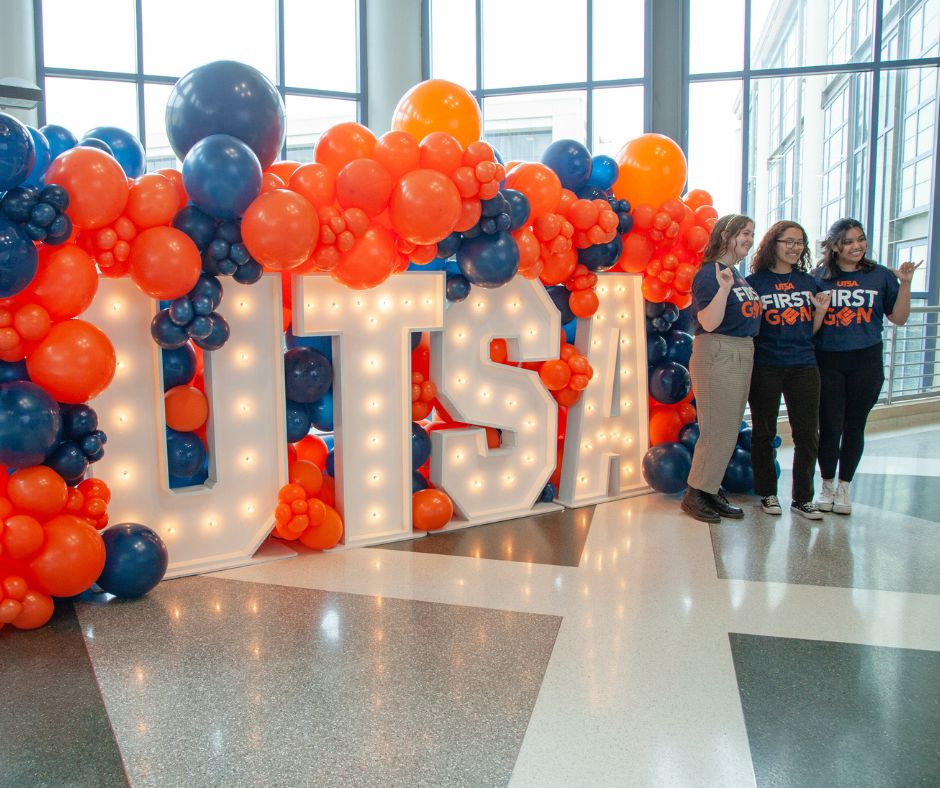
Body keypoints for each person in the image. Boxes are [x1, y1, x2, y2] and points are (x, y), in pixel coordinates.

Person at [813, 218, 921, 514]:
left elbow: (898, 318)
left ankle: (844, 487)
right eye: (848, 241)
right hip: (828, 359)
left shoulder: (880, 275)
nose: (856, 246)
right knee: (830, 426)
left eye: (860, 239)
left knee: (855, 425)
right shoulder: (818, 276)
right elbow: (810, 325)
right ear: (834, 246)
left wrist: (906, 284)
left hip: (867, 360)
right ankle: (826, 486)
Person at [746, 221, 831, 520]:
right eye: (789, 242)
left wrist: (819, 312)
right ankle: (767, 493)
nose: (795, 248)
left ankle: (802, 498)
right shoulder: (754, 282)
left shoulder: (809, 283)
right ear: (773, 243)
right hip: (765, 365)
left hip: (804, 365)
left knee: (808, 433)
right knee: (764, 432)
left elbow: (812, 331)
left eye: (800, 243)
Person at [682, 214, 761, 523]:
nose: (749, 239)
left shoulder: (735, 274)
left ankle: (710, 488)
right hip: (719, 349)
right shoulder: (710, 274)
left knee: (727, 430)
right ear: (725, 234)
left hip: (740, 350)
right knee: (716, 430)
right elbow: (709, 322)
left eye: (752, 234)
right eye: (744, 233)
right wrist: (725, 289)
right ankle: (696, 493)